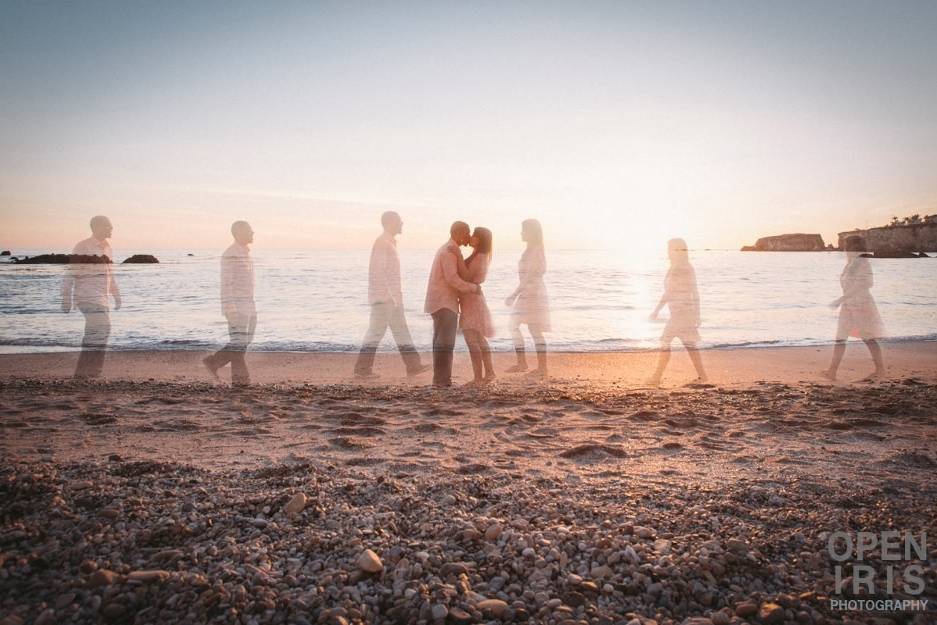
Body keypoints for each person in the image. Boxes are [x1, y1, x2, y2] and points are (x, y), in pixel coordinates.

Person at [354, 211, 430, 379]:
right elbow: (378, 272)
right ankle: (362, 369)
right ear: (391, 223)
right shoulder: (382, 243)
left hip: (393, 299)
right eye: (400, 221)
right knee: (375, 333)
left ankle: (413, 366)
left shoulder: (390, 243)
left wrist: (396, 298)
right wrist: (389, 297)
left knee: (401, 331)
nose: (402, 224)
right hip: (385, 299)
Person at [61, 215, 121, 378]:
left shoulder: (108, 248)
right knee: (100, 329)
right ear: (96, 228)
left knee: (99, 331)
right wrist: (65, 298)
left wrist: (116, 295)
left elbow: (110, 274)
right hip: (86, 296)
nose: (111, 228)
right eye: (108, 226)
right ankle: (87, 373)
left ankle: (89, 373)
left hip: (102, 298)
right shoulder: (83, 246)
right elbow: (70, 272)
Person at [424, 221, 482, 387]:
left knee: (440, 342)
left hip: (439, 301)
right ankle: (443, 381)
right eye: (466, 233)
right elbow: (452, 279)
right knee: (445, 343)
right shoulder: (449, 252)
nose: (468, 237)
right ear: (457, 233)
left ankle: (439, 380)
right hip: (444, 302)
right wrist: (473, 288)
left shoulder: (448, 249)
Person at [822, 235, 886, 381]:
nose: (844, 248)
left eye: (846, 245)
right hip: (849, 305)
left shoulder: (862, 262)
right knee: (840, 338)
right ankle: (832, 371)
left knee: (868, 337)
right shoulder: (851, 262)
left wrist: (840, 299)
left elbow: (866, 284)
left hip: (861, 304)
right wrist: (843, 300)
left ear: (852, 247)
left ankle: (880, 370)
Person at [647, 238, 708, 386]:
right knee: (689, 345)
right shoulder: (677, 266)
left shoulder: (683, 268)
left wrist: (656, 311)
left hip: (683, 313)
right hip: (679, 313)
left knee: (666, 341)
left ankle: (656, 377)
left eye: (670, 249)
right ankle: (702, 376)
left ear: (678, 251)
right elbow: (672, 292)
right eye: (668, 248)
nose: (667, 252)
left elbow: (690, 292)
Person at [203, 221, 256, 386]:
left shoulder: (245, 253)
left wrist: (253, 309)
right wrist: (230, 309)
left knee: (242, 344)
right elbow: (226, 284)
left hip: (247, 306)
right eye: (249, 230)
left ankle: (213, 362)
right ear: (239, 233)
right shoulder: (230, 254)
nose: (253, 233)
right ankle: (241, 384)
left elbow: (248, 284)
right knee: (238, 347)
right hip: (236, 308)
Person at [504, 219, 550, 379]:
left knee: (532, 329)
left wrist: (513, 294)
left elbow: (529, 277)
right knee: (516, 325)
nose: (521, 233)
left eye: (524, 230)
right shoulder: (531, 249)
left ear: (531, 232)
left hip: (533, 293)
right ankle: (523, 363)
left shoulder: (536, 250)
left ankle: (541, 367)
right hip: (529, 292)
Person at [453, 227, 496, 386]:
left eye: (474, 235)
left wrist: (456, 259)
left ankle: (479, 377)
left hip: (472, 299)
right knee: (478, 338)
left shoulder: (480, 257)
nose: (470, 237)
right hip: (472, 299)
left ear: (480, 239)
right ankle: (489, 372)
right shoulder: (478, 255)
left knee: (472, 338)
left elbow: (466, 277)